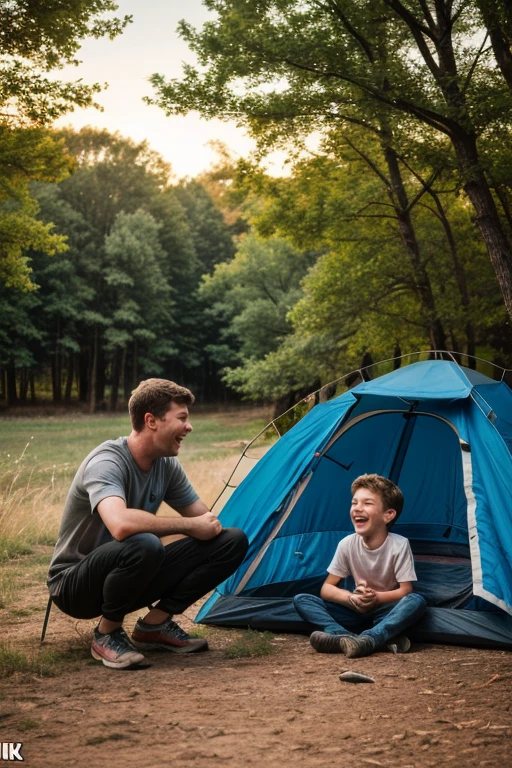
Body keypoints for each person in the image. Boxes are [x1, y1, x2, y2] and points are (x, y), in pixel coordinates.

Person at [47, 378, 248, 670]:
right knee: (144, 542)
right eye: (182, 418)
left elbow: (206, 520)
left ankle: (154, 626)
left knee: (230, 541)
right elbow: (121, 526)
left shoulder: (166, 465)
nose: (189, 427)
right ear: (151, 421)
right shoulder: (107, 461)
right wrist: (189, 527)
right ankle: (106, 635)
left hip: (130, 573)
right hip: (75, 584)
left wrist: (199, 527)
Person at [293, 474, 427, 658]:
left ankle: (369, 638)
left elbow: (405, 590)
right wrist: (351, 598)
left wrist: (377, 598)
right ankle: (345, 636)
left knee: (416, 601)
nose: (357, 509)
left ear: (388, 515)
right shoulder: (347, 544)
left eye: (367, 503)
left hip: (384, 610)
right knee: (302, 599)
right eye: (354, 503)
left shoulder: (399, 544)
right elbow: (327, 588)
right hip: (354, 611)